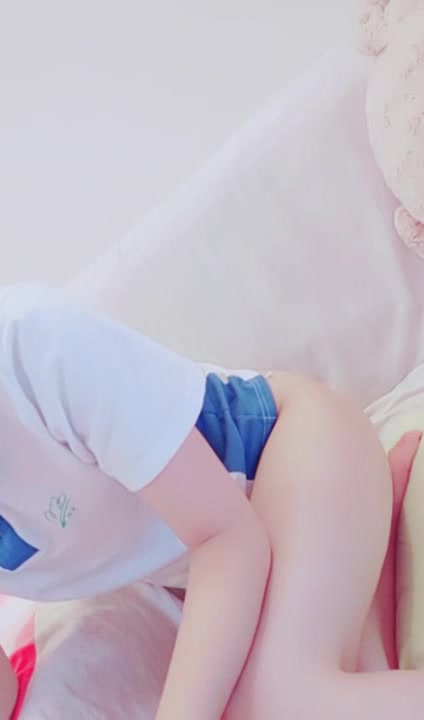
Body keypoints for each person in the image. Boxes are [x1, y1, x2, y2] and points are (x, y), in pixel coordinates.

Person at [0, 283, 420, 720]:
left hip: (287, 452)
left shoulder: (32, 347)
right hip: (224, 559)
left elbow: (225, 538)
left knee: (282, 703)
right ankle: (371, 591)